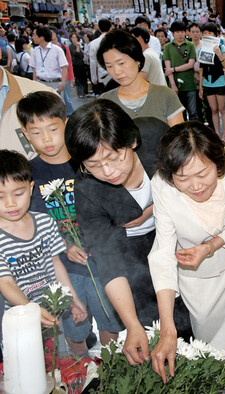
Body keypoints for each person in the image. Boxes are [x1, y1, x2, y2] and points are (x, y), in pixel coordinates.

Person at [65, 99, 190, 366]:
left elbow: (196, 178)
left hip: (182, 234)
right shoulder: (88, 190)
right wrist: (132, 325)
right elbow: (109, 261)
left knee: (194, 313)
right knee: (150, 325)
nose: (108, 171)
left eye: (113, 157)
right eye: (94, 164)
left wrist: (154, 208)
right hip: (132, 252)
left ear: (132, 141)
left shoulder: (156, 137)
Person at [149, 122, 225, 381]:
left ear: (218, 164)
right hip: (195, 276)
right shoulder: (162, 185)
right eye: (183, 178)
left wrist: (210, 246)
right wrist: (168, 331)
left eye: (202, 174)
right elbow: (163, 253)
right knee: (210, 343)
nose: (195, 186)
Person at [17, 92, 121, 355]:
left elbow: (111, 207)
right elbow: (30, 224)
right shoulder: (29, 175)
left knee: (111, 320)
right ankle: (80, 372)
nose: (48, 139)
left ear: (67, 122)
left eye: (53, 128)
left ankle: (109, 370)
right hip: (64, 270)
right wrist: (63, 245)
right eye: (36, 132)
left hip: (102, 262)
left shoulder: (88, 163)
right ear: (25, 134)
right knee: (74, 327)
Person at [0, 149, 86, 332]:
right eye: (0, 196)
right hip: (19, 319)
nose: (10, 203)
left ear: (31, 189)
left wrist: (71, 298)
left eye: (18, 193)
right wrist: (32, 311)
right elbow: (5, 283)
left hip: (52, 309)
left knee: (56, 354)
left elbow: (55, 264)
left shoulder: (45, 222)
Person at [98, 29, 184, 127]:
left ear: (137, 60)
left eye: (121, 63)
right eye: (109, 66)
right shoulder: (105, 102)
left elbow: (178, 139)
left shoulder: (166, 96)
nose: (117, 71)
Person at [198, 23, 225, 142]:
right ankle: (217, 134)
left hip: (220, 82)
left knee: (222, 108)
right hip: (207, 82)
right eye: (205, 33)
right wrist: (200, 87)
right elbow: (201, 69)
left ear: (215, 35)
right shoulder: (201, 50)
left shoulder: (221, 48)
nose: (207, 35)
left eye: (210, 33)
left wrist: (218, 53)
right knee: (213, 109)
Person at [163, 21, 199, 122]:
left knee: (193, 112)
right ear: (173, 33)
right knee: (179, 113)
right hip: (175, 85)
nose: (180, 34)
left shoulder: (190, 45)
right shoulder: (168, 47)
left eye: (182, 31)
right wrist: (173, 85)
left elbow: (190, 64)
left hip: (190, 84)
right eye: (177, 32)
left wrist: (174, 69)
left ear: (185, 32)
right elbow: (167, 67)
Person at [29, 26, 68, 100]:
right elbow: (34, 69)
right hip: (41, 83)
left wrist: (63, 83)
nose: (32, 37)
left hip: (55, 83)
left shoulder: (57, 50)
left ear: (42, 37)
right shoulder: (35, 51)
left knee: (56, 107)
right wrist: (34, 84)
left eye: (34, 35)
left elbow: (64, 67)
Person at [89, 19, 113, 96]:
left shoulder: (93, 43)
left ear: (99, 28)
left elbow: (93, 62)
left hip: (102, 76)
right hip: (117, 75)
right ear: (110, 28)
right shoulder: (116, 41)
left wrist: (94, 78)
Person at [69, 33, 88, 98]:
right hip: (75, 64)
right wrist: (77, 46)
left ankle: (85, 92)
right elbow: (76, 53)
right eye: (72, 38)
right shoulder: (71, 46)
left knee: (84, 78)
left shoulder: (79, 45)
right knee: (78, 79)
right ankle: (80, 93)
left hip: (81, 64)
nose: (74, 39)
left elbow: (81, 54)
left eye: (75, 37)